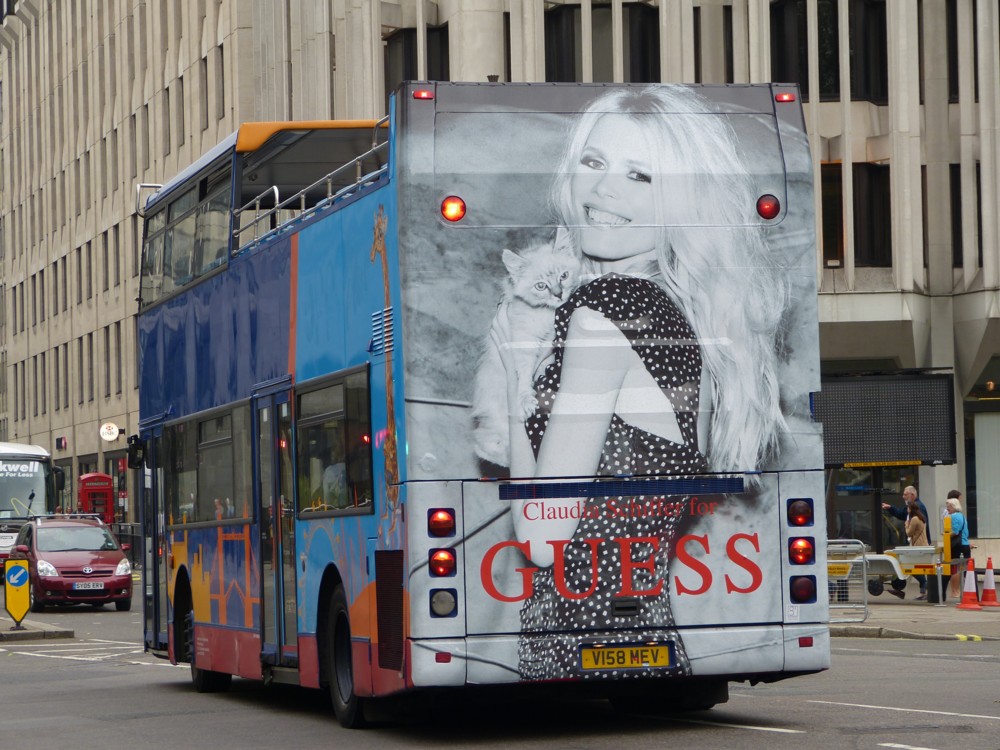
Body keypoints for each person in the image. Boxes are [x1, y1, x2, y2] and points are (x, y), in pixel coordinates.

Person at [492, 85, 792, 680]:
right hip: (646, 634)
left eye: (641, 175)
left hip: (576, 647)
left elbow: (543, 536)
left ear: (682, 201)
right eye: (594, 162)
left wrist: (512, 376)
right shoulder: (680, 319)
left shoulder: (604, 312)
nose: (605, 189)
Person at [946, 492, 971, 599]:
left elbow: (955, 532)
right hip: (964, 544)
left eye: (949, 506)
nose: (947, 508)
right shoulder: (962, 516)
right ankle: (959, 591)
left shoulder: (954, 516)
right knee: (963, 568)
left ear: (954, 506)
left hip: (958, 546)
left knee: (955, 569)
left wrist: (945, 535)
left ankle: (955, 591)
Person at [904, 502, 929, 600]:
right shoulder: (921, 518)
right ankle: (923, 592)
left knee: (912, 568)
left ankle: (924, 583)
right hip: (924, 545)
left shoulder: (914, 519)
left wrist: (906, 525)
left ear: (910, 509)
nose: (907, 510)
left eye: (908, 508)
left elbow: (909, 533)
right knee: (920, 569)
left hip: (918, 547)